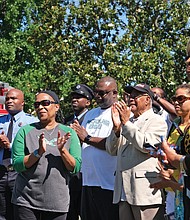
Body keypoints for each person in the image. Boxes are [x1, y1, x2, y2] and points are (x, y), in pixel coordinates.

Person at [11, 90, 81, 220]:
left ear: (56, 106)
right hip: (26, 201)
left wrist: (62, 151)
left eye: (45, 103)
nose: (40, 107)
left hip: (57, 202)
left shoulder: (68, 133)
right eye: (37, 104)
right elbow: (17, 164)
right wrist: (37, 153)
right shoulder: (25, 131)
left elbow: (75, 167)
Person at [106, 83, 168, 220]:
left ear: (147, 100)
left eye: (136, 96)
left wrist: (126, 124)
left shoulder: (157, 121)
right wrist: (116, 129)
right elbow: (111, 150)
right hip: (123, 191)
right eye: (130, 96)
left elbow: (147, 146)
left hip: (144, 192)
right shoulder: (127, 121)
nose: (131, 99)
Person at [70, 76, 119, 220]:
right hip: (88, 181)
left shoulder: (119, 112)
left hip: (108, 183)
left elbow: (112, 144)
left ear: (114, 93)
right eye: (96, 92)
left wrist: (87, 138)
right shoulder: (91, 114)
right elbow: (81, 140)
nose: (98, 96)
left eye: (103, 93)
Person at [150, 83, 190, 219]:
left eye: (181, 99)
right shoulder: (175, 124)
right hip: (172, 189)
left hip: (183, 187)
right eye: (174, 99)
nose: (176, 102)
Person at [0, 88, 38, 220]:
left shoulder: (31, 122)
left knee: (21, 211)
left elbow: (33, 149)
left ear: (22, 103)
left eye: (13, 98)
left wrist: (9, 145)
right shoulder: (1, 120)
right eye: (7, 98)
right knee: (2, 213)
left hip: (20, 172)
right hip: (1, 172)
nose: (9, 101)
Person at [65, 84, 94, 220]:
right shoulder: (68, 120)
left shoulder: (93, 118)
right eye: (73, 97)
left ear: (88, 102)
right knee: (70, 211)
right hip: (71, 173)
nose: (74, 100)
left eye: (79, 97)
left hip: (87, 173)